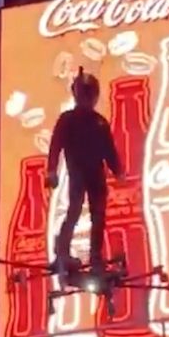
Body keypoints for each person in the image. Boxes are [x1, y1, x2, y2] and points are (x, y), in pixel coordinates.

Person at [46, 67, 125, 271]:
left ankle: (95, 256)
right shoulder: (68, 120)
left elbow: (109, 150)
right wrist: (51, 170)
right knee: (75, 208)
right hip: (79, 172)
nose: (87, 100)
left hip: (94, 174)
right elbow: (56, 146)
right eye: (84, 95)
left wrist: (118, 170)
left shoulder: (99, 123)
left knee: (97, 214)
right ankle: (63, 251)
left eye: (89, 95)